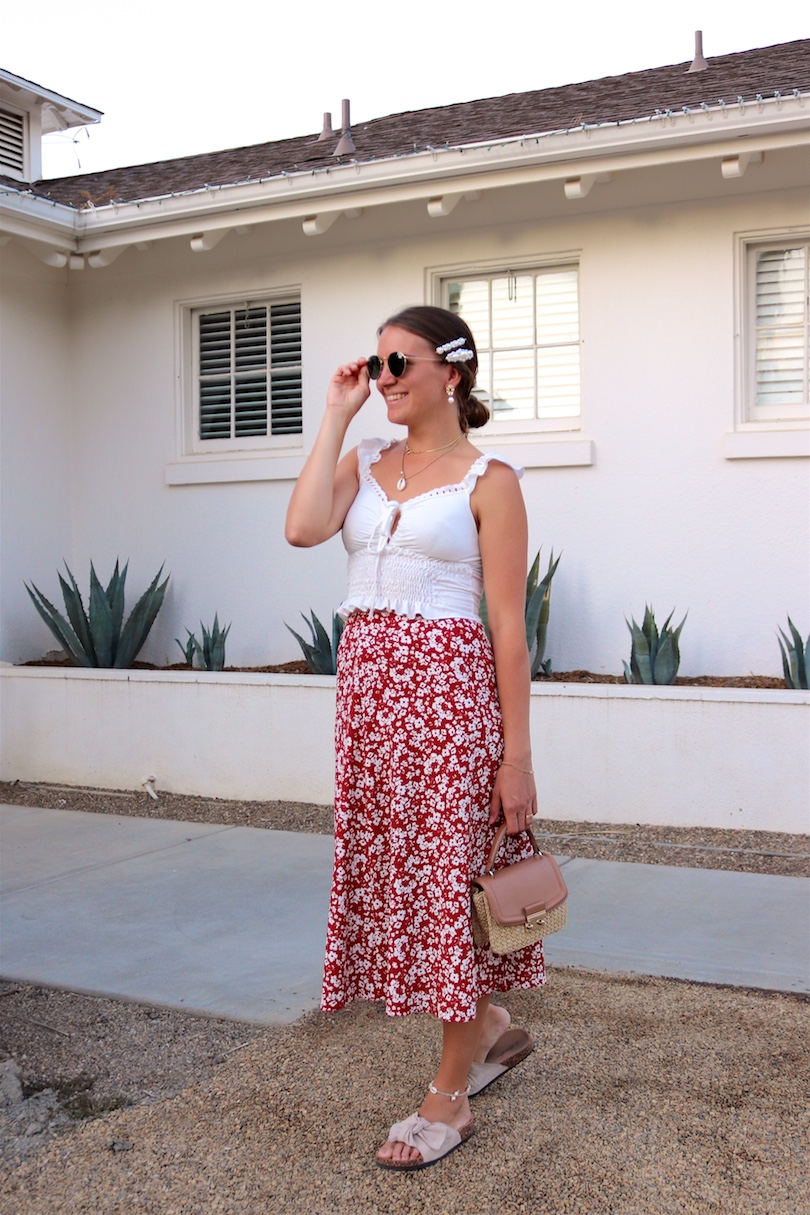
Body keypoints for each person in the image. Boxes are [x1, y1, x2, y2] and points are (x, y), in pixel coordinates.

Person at [285, 305, 545, 1170]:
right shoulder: (364, 462)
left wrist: (517, 759)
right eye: (377, 361)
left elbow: (508, 629)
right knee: (399, 867)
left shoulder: (489, 479)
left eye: (399, 361)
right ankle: (493, 1025)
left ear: (452, 374)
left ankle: (448, 1096)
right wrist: (334, 414)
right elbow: (301, 527)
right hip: (369, 705)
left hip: (449, 705)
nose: (384, 375)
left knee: (445, 879)